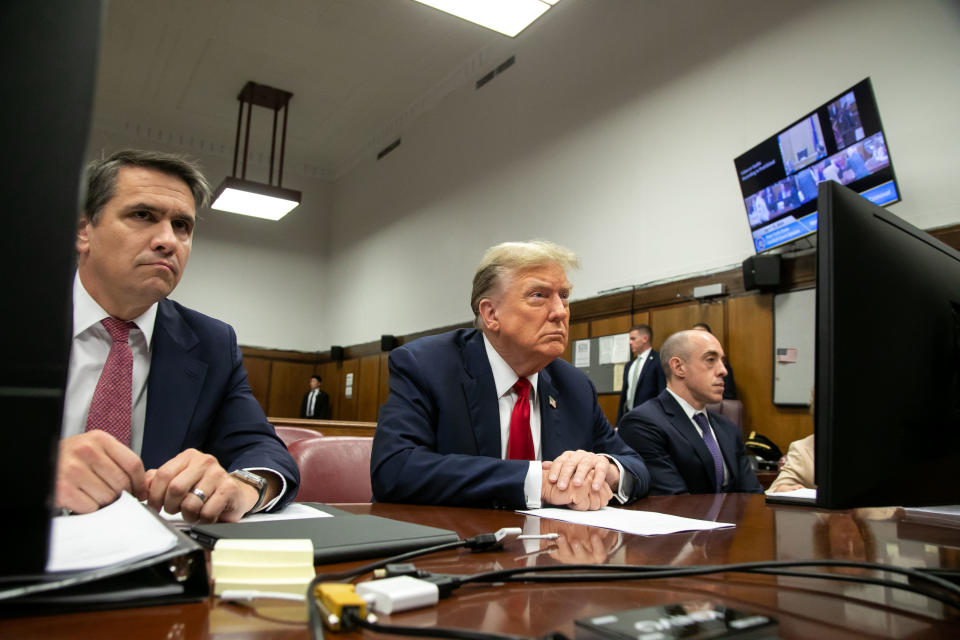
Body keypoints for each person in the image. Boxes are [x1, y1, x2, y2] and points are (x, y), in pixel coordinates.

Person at [58, 149, 299, 523]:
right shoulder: (14, 315)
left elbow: (262, 449)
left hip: (156, 556)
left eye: (182, 226)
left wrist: (240, 487)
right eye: (142, 215)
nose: (168, 241)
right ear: (84, 230)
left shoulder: (212, 342)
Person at [371, 240, 650, 510]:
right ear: (491, 313)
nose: (560, 312)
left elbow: (636, 466)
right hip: (454, 547)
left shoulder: (574, 385)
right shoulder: (427, 365)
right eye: (539, 296)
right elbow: (395, 469)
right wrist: (535, 482)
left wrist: (606, 470)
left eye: (564, 296)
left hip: (556, 551)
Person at [618, 330, 762, 495]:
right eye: (710, 360)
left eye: (722, 361)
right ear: (679, 367)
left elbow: (752, 495)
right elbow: (674, 501)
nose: (723, 371)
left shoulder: (728, 429)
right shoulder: (642, 424)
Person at [615, 324, 665, 425]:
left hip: (650, 419)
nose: (630, 342)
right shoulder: (629, 365)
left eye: (633, 339)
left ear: (645, 339)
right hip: (629, 417)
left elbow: (662, 392)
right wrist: (618, 423)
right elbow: (624, 396)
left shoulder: (658, 360)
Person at [691, 322, 736, 399]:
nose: (697, 339)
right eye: (694, 335)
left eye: (701, 335)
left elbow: (728, 396)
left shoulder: (722, 367)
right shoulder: (683, 365)